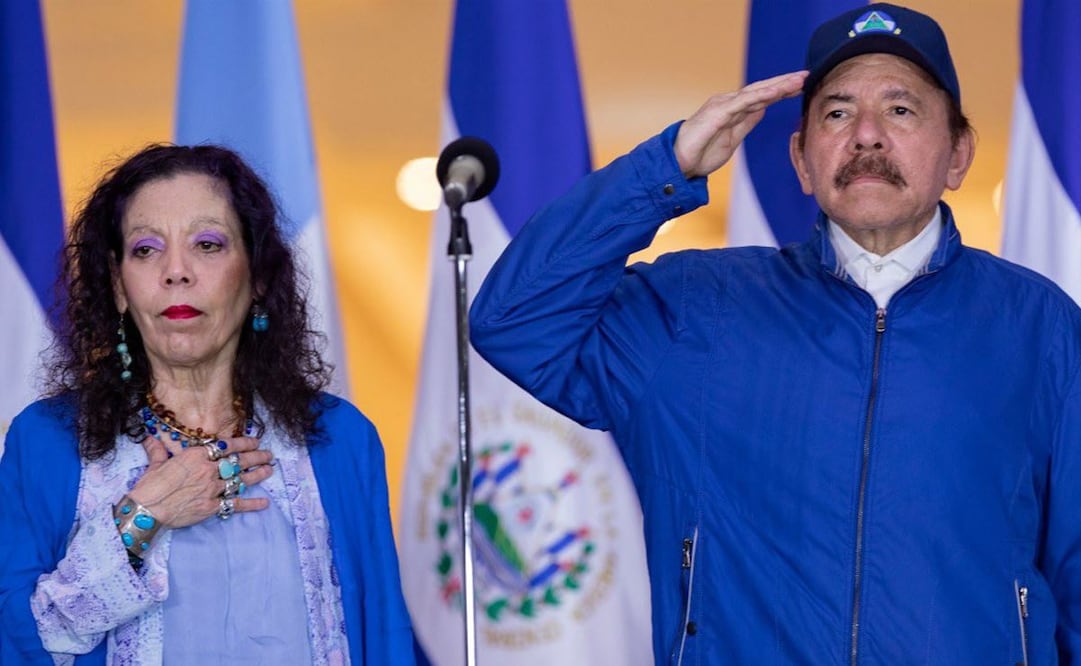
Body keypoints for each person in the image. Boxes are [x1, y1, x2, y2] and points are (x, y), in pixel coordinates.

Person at [469, 3, 1081, 664]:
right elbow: (513, 319)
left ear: (957, 153)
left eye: (900, 110)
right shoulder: (691, 308)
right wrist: (664, 169)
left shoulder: (1038, 325)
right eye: (837, 112)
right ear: (800, 160)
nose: (866, 136)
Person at [0, 144, 415, 665]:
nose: (176, 271)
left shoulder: (338, 437)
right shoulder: (48, 441)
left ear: (258, 274)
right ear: (118, 285)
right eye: (146, 249)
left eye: (208, 244)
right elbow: (18, 641)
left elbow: (385, 636)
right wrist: (139, 519)